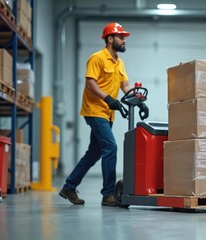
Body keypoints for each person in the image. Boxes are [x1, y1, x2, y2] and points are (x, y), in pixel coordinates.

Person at [59, 22, 149, 207]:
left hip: (108, 114)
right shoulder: (97, 58)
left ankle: (69, 187)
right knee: (111, 147)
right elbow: (91, 83)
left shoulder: (119, 62)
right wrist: (108, 99)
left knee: (94, 153)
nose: (124, 40)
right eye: (121, 37)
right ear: (110, 39)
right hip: (94, 110)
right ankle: (108, 194)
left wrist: (140, 101)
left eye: (124, 37)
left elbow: (125, 86)